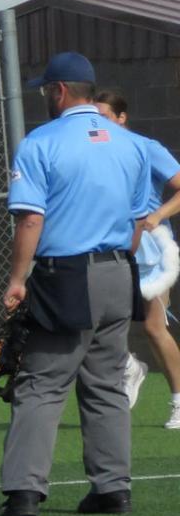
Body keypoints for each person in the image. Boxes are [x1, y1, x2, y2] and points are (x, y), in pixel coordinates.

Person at [0, 52, 152, 516]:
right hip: (118, 272)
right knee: (106, 383)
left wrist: (18, 279)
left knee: (43, 383)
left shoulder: (42, 142)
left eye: (47, 88)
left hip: (65, 273)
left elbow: (30, 217)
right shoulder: (132, 145)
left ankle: (24, 492)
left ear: (60, 90)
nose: (45, 95)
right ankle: (112, 490)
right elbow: (139, 218)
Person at [94, 91, 180, 428]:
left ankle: (178, 401)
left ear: (121, 118)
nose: (98, 123)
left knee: (154, 326)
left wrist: (158, 215)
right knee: (92, 320)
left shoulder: (147, 148)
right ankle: (129, 366)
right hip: (110, 245)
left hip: (151, 250)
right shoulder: (95, 154)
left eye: (104, 116)